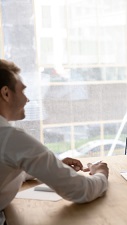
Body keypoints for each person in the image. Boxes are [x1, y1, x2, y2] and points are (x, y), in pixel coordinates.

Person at [0, 59, 109, 224]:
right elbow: (81, 191)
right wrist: (101, 173)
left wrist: (50, 166)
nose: (27, 99)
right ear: (6, 93)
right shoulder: (11, 138)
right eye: (22, 90)